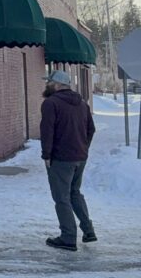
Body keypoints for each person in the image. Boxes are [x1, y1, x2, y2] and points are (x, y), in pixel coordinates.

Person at [40, 69, 96, 251]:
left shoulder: (50, 103)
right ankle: (88, 230)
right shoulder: (82, 104)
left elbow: (47, 131)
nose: (46, 85)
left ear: (56, 84)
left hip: (60, 158)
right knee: (74, 192)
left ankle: (68, 237)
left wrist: (46, 155)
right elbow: (91, 129)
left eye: (49, 82)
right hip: (80, 157)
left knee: (61, 197)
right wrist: (83, 147)